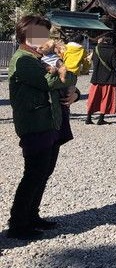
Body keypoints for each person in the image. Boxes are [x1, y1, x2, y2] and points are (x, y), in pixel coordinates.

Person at [6, 15, 78, 241]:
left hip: (51, 122)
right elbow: (51, 82)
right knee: (33, 174)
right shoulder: (23, 60)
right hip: (35, 124)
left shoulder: (42, 57)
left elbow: (69, 79)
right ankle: (18, 223)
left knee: (44, 172)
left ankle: (32, 216)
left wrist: (75, 92)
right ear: (24, 35)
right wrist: (66, 75)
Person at [85, 33, 116, 125]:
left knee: (93, 98)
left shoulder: (96, 49)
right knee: (105, 98)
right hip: (108, 78)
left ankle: (88, 117)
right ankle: (101, 119)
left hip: (96, 77)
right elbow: (115, 65)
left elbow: (94, 61)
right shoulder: (113, 50)